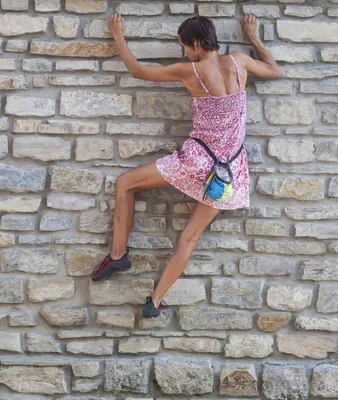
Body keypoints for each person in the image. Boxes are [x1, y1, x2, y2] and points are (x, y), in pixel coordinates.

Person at [90, 13, 280, 318]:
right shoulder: (240, 61)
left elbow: (138, 71)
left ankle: (118, 255)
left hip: (196, 161)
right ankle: (154, 301)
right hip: (229, 172)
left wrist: (118, 36)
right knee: (189, 238)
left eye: (184, 47)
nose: (184, 53)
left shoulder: (190, 71)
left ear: (195, 43)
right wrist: (253, 35)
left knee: (126, 184)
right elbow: (273, 69)